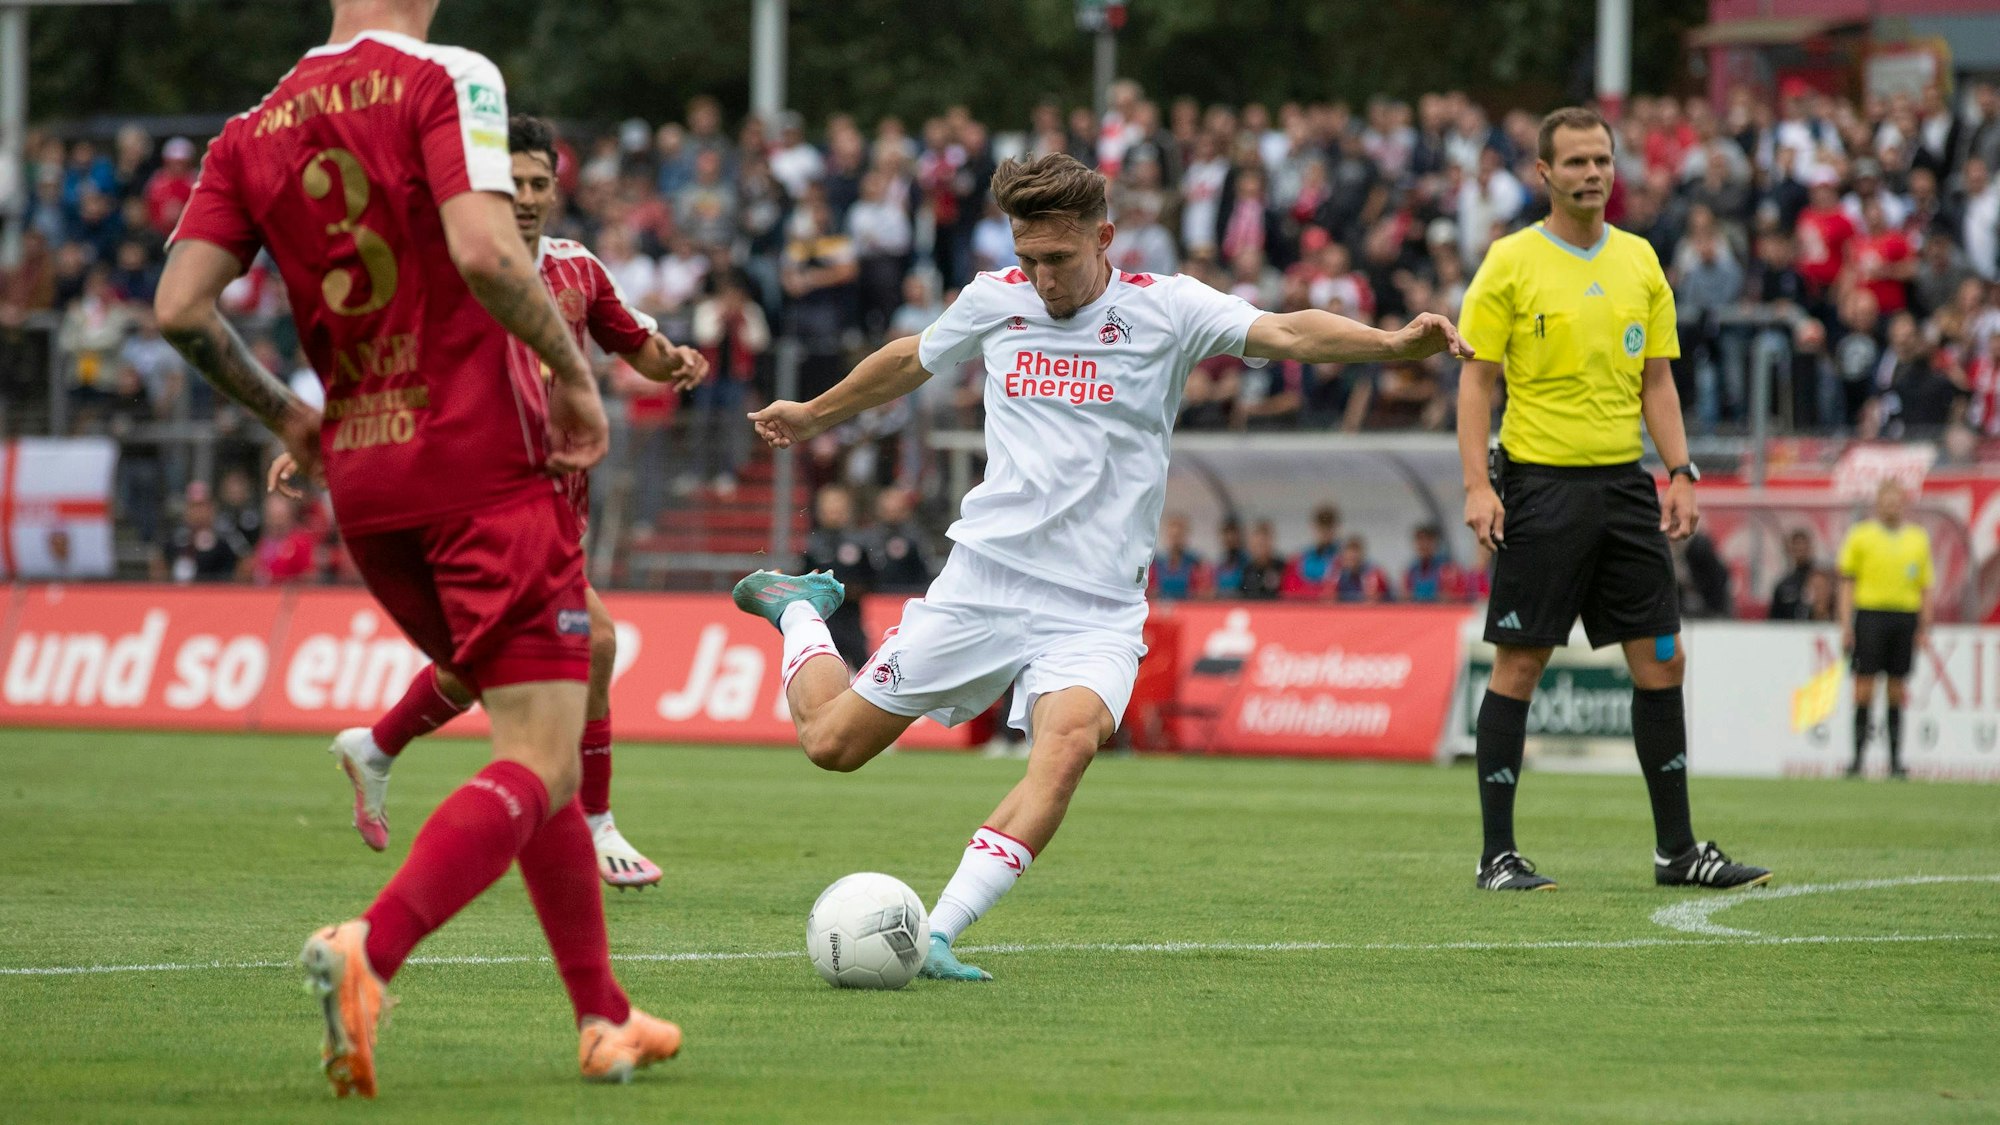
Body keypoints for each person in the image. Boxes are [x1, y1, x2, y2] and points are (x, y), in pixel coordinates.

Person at [730, 151, 1471, 980]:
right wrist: (813, 412)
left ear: (1105, 237)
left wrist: (1392, 346)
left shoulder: (1170, 309)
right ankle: (797, 609)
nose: (1041, 277)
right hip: (984, 581)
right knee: (833, 745)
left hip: (1095, 606)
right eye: (1028, 257)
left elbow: (1289, 329)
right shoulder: (994, 299)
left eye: (1058, 257)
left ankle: (935, 933)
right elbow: (910, 359)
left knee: (1069, 746)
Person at [158, 3, 681, 1095]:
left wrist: (287, 418)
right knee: (542, 756)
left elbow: (180, 310)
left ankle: (603, 1014)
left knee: (523, 733)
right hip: (482, 467)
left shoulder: (251, 127)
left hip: (367, 479)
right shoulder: (445, 74)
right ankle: (371, 950)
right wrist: (574, 377)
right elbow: (488, 252)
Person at [270, 114, 708, 891]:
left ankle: (375, 747)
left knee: (481, 666)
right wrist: (321, 432)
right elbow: (381, 365)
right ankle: (594, 824)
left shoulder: (578, 270)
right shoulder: (448, 266)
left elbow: (633, 341)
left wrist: (674, 361)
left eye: (542, 183)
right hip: (478, 500)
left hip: (555, 506)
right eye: (517, 184)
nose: (531, 197)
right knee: (595, 644)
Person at [1456, 107, 1770, 894]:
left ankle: (1677, 850)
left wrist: (1682, 470)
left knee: (1663, 657)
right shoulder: (1509, 262)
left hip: (1625, 487)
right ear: (1545, 174)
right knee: (1521, 664)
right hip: (1540, 486)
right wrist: (1475, 485)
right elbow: (1476, 381)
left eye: (1602, 160)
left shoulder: (1640, 261)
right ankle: (1498, 855)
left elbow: (1656, 378)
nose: (1592, 174)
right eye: (1576, 163)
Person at [1836, 480, 1934, 779]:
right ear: (1877, 503)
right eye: (1886, 500)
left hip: (1904, 616)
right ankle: (1857, 760)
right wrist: (1845, 624)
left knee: (1896, 688)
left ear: (1903, 503)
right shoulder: (1861, 535)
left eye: (1896, 500)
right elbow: (1847, 583)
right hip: (1869, 616)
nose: (1891, 506)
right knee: (1863, 688)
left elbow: (1925, 587)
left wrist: (1924, 625)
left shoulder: (1918, 538)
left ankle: (1894, 762)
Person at [800, 483, 877, 669]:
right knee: (823, 672)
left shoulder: (859, 543)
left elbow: (872, 580)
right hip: (823, 622)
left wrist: (850, 590)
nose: (834, 513)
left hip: (852, 620)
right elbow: (804, 582)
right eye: (829, 508)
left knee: (863, 672)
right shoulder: (813, 545)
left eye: (838, 508)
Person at [152, 481, 249, 584]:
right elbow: (158, 560)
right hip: (180, 593)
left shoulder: (225, 533)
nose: (198, 512)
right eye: (193, 506)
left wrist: (234, 587)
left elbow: (246, 560)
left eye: (202, 506)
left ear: (212, 508)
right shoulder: (176, 533)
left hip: (216, 593)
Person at [1767, 529, 1821, 621]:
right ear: (1789, 550)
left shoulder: (1821, 581)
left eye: (1803, 546)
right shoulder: (1783, 586)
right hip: (1789, 633)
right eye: (1796, 547)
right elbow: (1774, 621)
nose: (1800, 550)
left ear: (1810, 548)